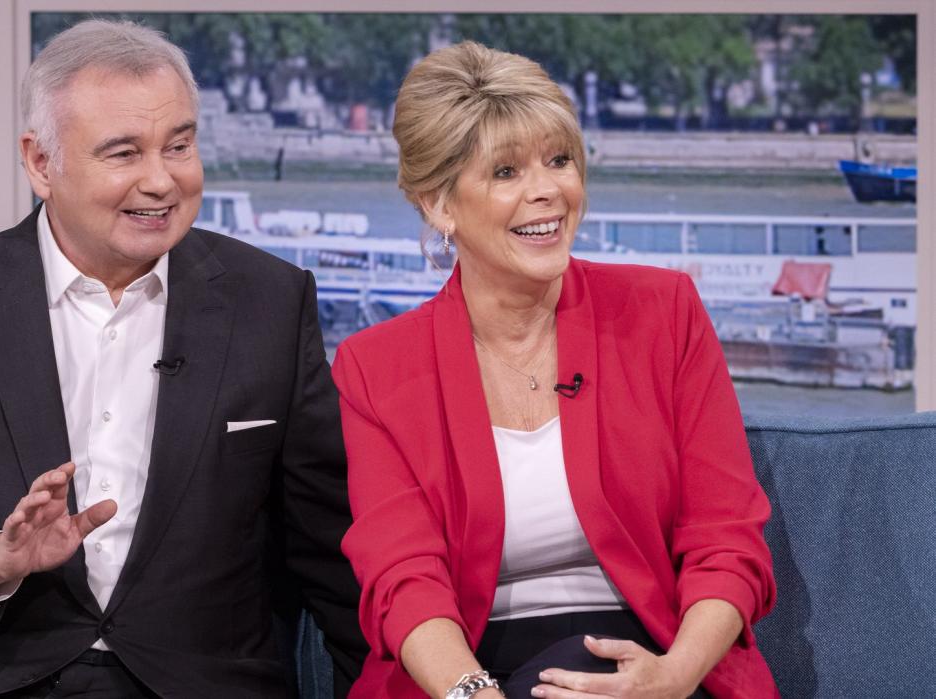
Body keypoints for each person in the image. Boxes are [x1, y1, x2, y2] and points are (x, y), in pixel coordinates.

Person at [0, 19, 365, 698]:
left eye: (179, 146)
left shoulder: (271, 303)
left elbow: (334, 540)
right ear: (41, 163)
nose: (162, 181)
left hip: (192, 677)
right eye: (124, 153)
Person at [331, 42, 777, 699]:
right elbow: (404, 576)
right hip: (469, 670)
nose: (549, 191)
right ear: (439, 204)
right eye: (507, 171)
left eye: (560, 160)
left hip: (652, 658)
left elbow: (726, 542)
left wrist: (675, 675)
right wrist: (472, 693)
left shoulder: (664, 312)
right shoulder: (375, 367)